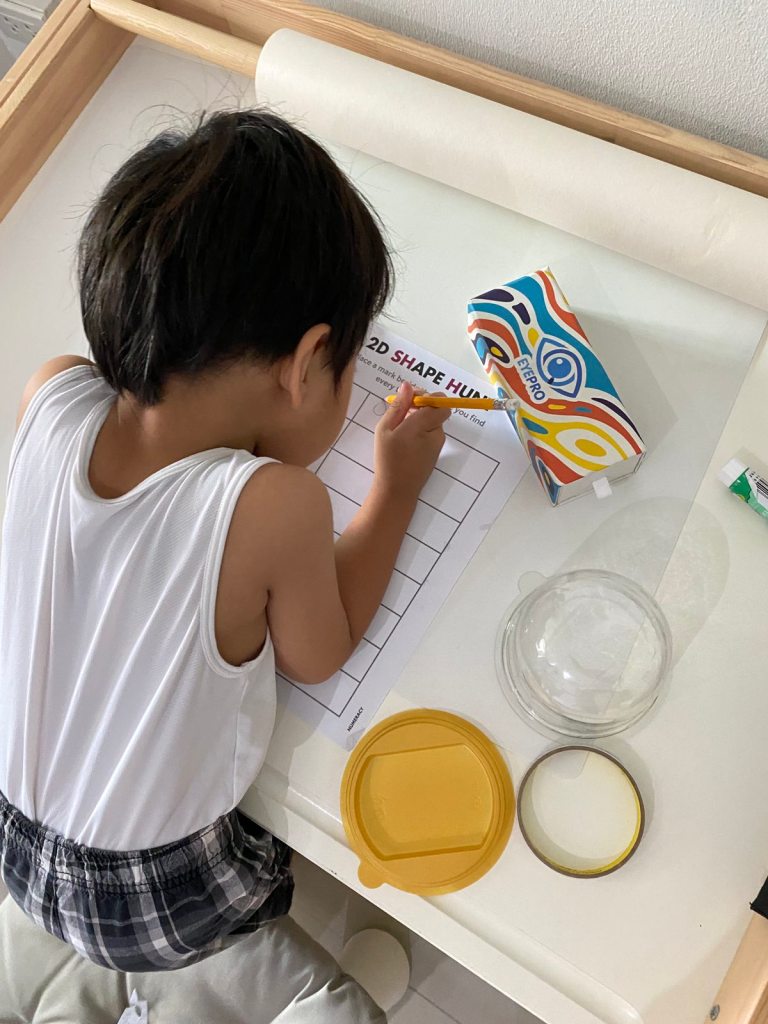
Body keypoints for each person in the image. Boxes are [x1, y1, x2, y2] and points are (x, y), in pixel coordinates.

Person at [0, 110, 449, 972]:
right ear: (307, 361)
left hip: (17, 838)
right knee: (269, 864)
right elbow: (320, 652)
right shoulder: (273, 504)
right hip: (148, 898)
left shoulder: (50, 395)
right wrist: (393, 488)